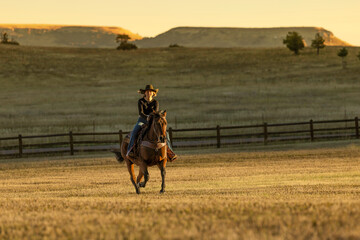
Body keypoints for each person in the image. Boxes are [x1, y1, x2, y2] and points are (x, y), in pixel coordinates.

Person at [126, 85, 177, 161]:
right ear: (145, 93)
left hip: (152, 121)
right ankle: (130, 151)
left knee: (165, 133)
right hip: (142, 120)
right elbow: (141, 113)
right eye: (148, 91)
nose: (149, 93)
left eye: (151, 91)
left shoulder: (155, 102)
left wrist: (152, 119)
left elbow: (156, 113)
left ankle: (169, 152)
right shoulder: (140, 101)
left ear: (153, 93)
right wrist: (147, 117)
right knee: (134, 132)